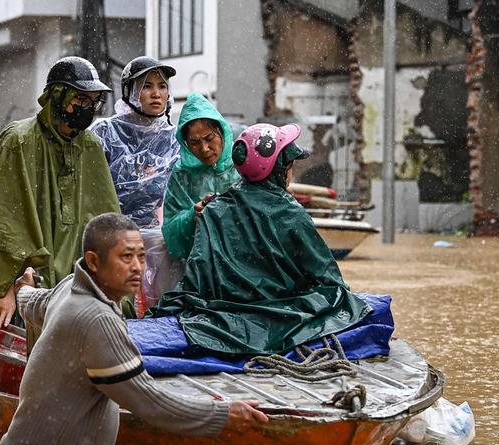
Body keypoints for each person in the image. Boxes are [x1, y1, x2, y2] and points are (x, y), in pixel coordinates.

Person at [0, 213, 267, 445]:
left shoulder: (71, 288)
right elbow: (147, 400)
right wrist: (222, 414)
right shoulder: (97, 319)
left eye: (141, 256)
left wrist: (21, 288)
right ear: (94, 262)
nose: (137, 267)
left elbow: (35, 302)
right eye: (126, 257)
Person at [151, 123, 372, 355]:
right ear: (280, 169)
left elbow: (198, 277)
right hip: (281, 313)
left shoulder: (214, 208)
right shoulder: (290, 213)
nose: (291, 172)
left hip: (221, 314)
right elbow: (328, 279)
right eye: (289, 165)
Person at [0, 56, 122, 348]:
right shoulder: (19, 142)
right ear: (57, 96)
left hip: (78, 284)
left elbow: (107, 223)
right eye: (80, 99)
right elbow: (1, 221)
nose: (87, 108)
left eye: (93, 101)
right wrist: (3, 289)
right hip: (32, 283)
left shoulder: (92, 147)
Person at [90, 56, 180, 313]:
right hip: (113, 234)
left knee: (158, 307)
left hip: (159, 239)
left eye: (162, 86)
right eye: (146, 86)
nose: (156, 94)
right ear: (130, 91)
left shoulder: (175, 137)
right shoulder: (104, 132)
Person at [161, 93, 241, 260]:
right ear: (185, 144)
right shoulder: (182, 174)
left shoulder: (242, 160)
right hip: (202, 263)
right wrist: (192, 216)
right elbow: (170, 231)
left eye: (209, 138)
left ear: (222, 132)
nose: (204, 149)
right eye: (195, 143)